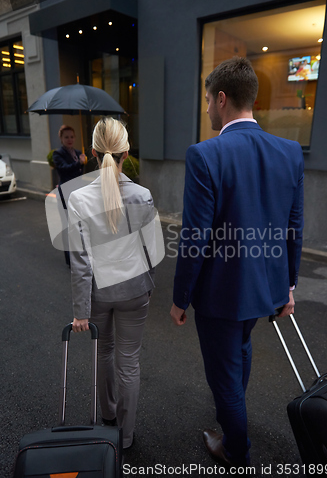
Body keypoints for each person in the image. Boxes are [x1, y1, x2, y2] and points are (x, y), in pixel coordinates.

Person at [170, 57, 304, 467]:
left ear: (222, 99)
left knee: (224, 375)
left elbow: (195, 235)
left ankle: (236, 450)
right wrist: (289, 288)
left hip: (221, 295)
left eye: (208, 99)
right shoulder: (290, 151)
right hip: (265, 289)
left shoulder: (205, 155)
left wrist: (180, 298)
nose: (207, 107)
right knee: (240, 350)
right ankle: (234, 420)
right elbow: (294, 227)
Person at [67, 117, 155, 450]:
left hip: (99, 294)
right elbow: (150, 249)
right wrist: (149, 284)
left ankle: (107, 417)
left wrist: (80, 311)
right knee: (128, 361)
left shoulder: (78, 199)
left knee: (104, 352)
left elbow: (80, 260)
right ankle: (127, 436)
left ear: (91, 152)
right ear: (126, 152)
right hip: (135, 290)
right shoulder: (143, 196)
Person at [53, 125, 87, 267]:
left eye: (72, 136)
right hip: (65, 194)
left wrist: (82, 163)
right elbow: (64, 170)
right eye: (66, 137)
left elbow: (77, 174)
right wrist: (78, 163)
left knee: (79, 226)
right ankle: (70, 260)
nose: (69, 139)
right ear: (61, 138)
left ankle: (80, 255)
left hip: (77, 193)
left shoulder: (78, 153)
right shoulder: (58, 154)